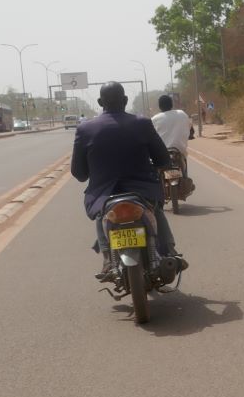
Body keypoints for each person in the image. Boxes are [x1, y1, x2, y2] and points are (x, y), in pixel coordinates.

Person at [71, 81, 186, 278]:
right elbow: (162, 160)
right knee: (156, 210)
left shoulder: (85, 129)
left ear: (100, 102)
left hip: (103, 193)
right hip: (142, 190)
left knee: (101, 215)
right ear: (125, 100)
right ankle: (169, 252)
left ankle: (107, 258)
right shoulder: (142, 123)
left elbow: (79, 173)